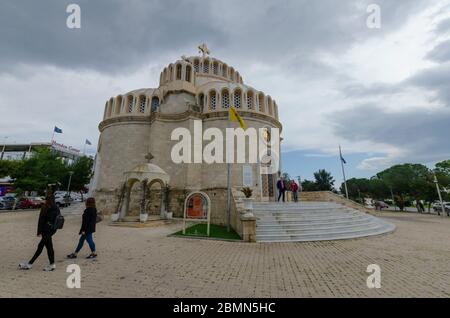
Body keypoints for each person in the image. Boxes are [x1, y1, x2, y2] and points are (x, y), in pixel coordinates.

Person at [19, 195, 59, 271]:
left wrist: (39, 232)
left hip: (46, 230)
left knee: (47, 247)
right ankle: (30, 263)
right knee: (42, 246)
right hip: (52, 230)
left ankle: (51, 264)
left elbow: (41, 221)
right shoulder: (56, 208)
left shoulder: (46, 207)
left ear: (47, 200)